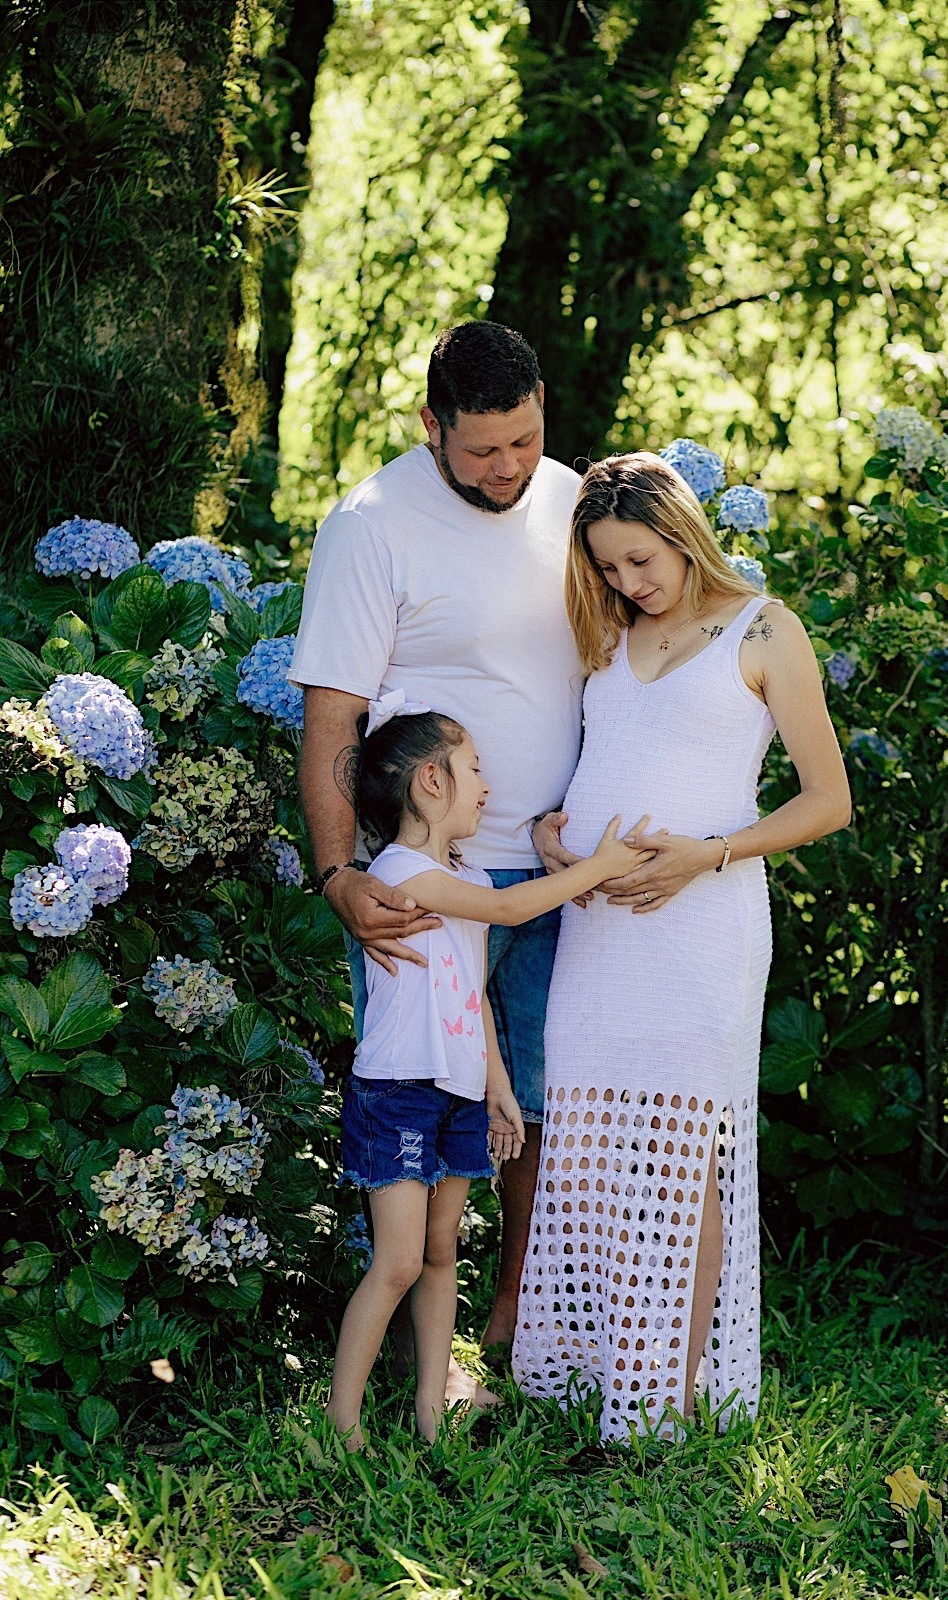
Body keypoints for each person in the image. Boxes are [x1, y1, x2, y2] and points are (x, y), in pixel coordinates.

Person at [512, 453, 852, 1444]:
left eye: (640, 560)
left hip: (701, 924)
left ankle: (669, 1392)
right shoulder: (608, 634)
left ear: (682, 534)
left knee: (677, 1150)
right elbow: (599, 763)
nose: (627, 581)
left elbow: (827, 800)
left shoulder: (763, 629)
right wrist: (550, 835)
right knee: (586, 1148)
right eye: (608, 566)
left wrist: (708, 853)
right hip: (597, 924)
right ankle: (602, 1364)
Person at [288, 321, 584, 1385]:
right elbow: (333, 718)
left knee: (536, 1104)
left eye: (524, 440)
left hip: (554, 871)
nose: (508, 468)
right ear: (430, 426)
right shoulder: (371, 526)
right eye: (481, 450)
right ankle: (404, 1353)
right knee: (420, 1103)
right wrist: (338, 875)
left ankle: (514, 1326)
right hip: (422, 888)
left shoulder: (572, 501)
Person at [325, 693, 648, 1448]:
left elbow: (469, 999)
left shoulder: (459, 871)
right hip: (400, 1094)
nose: (487, 786)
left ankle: (431, 1414)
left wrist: (497, 1090)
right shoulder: (402, 871)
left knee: (442, 1253)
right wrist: (598, 868)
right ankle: (340, 1424)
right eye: (474, 769)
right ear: (431, 781)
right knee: (398, 1261)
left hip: (459, 1093)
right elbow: (508, 913)